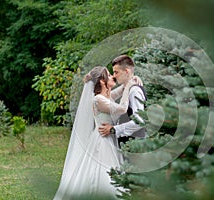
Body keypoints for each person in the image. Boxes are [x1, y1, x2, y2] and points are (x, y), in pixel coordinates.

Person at [53, 66, 139, 199]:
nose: (113, 77)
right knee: (102, 174)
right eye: (109, 75)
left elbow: (119, 92)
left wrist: (130, 81)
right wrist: (128, 88)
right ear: (102, 81)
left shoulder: (106, 96)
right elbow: (122, 108)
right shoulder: (98, 100)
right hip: (102, 141)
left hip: (109, 136)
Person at [99, 55, 146, 144]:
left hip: (134, 144)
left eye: (116, 72)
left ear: (126, 71)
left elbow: (139, 121)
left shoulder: (134, 91)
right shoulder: (127, 88)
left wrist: (114, 129)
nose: (114, 76)